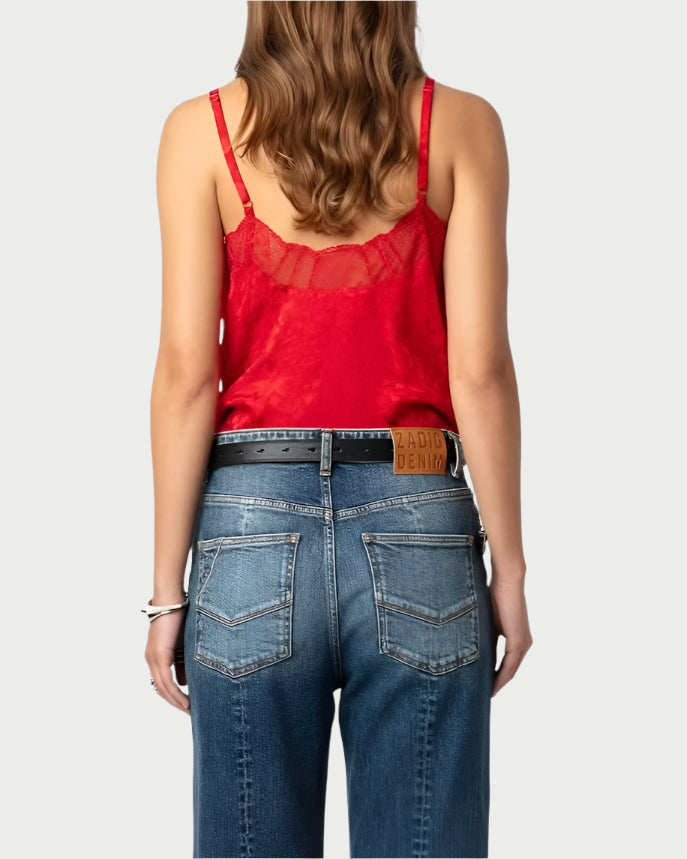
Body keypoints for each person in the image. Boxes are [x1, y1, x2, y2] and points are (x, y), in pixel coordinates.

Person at [143, 2, 532, 857]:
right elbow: (479, 372)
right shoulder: (460, 126)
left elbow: (185, 374)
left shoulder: (199, 131)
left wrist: (167, 591)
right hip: (420, 515)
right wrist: (509, 565)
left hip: (247, 529)